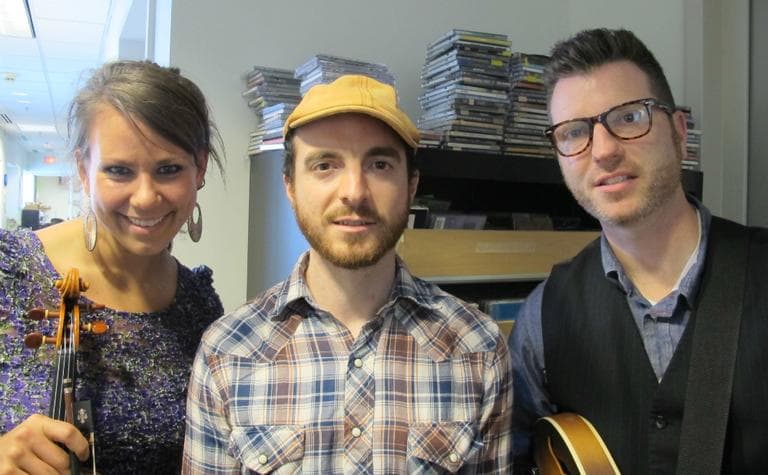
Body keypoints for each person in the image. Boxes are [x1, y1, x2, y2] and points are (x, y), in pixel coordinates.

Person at [182, 74, 512, 473]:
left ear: (412, 185)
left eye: (379, 164)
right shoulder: (228, 352)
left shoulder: (477, 347)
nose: (354, 191)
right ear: (289, 186)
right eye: (325, 165)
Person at [509, 27, 768, 473]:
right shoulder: (541, 317)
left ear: (680, 133)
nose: (604, 151)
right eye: (574, 132)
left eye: (629, 117)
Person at [0, 60, 225, 474]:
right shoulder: (8, 272)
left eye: (169, 169)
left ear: (200, 168)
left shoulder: (199, 307)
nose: (145, 198)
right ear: (85, 169)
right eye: (119, 171)